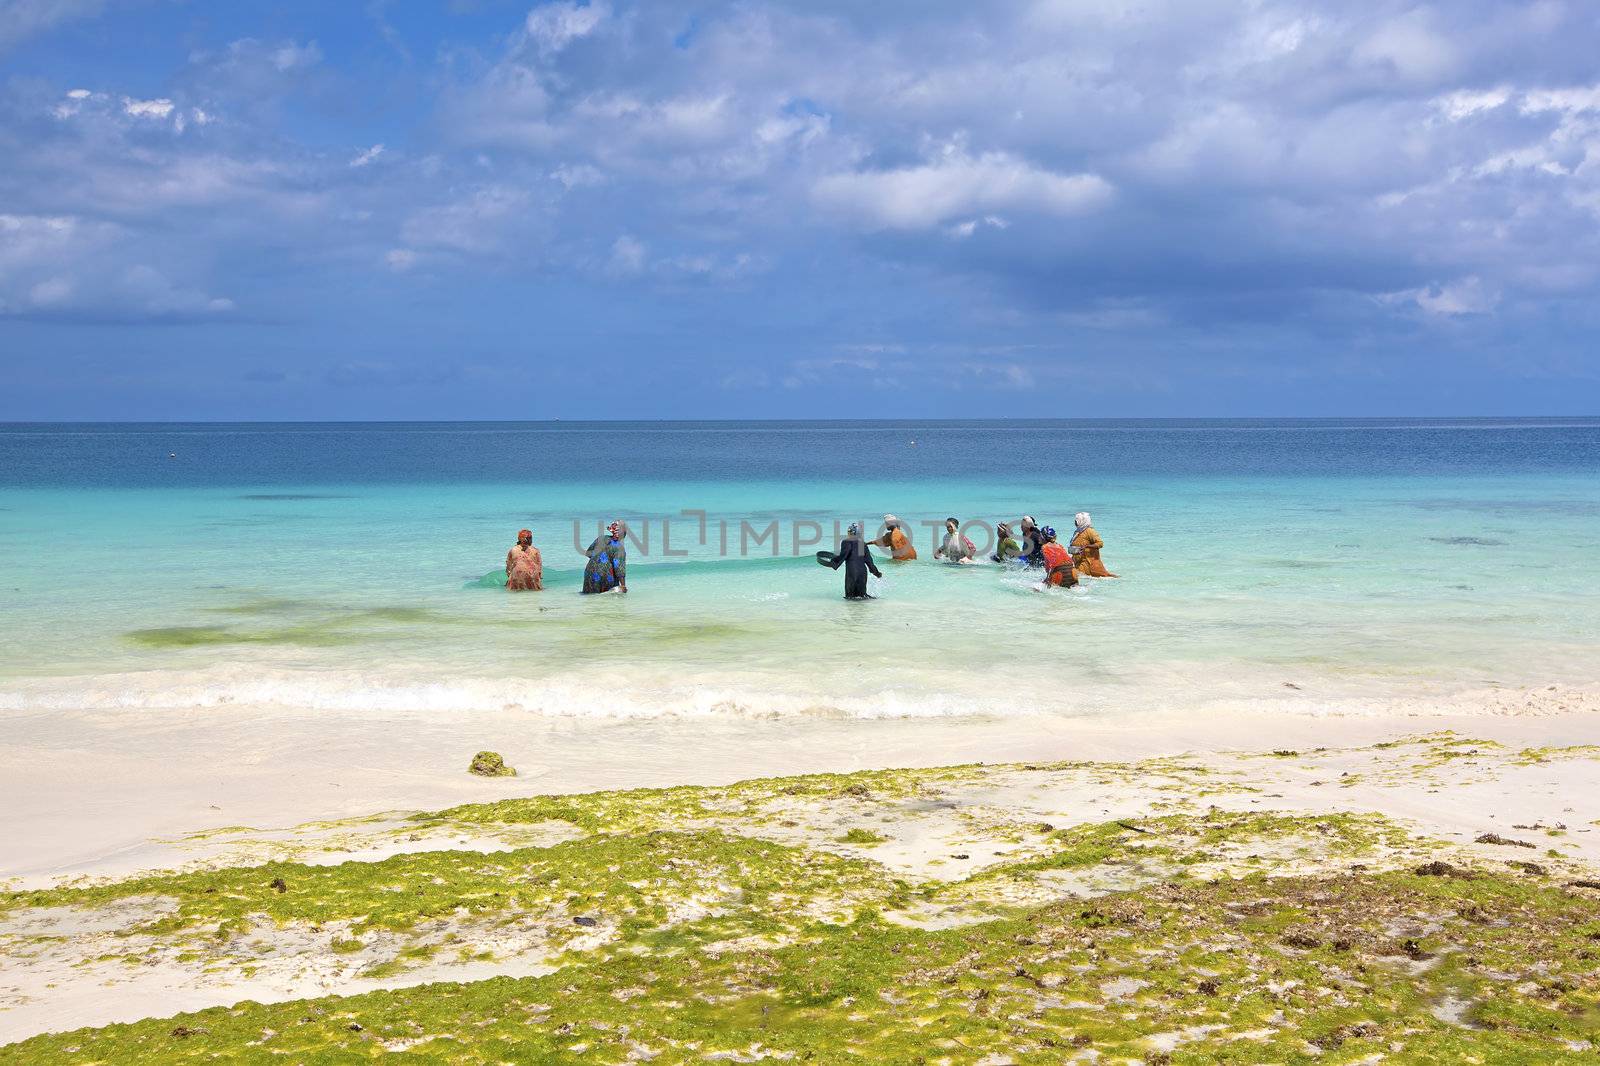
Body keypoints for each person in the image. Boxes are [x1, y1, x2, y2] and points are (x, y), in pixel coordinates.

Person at [828, 523, 883, 599]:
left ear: (851, 532)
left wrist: (833, 562)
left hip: (852, 573)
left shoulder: (846, 541)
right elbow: (870, 562)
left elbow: (844, 555)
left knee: (850, 598)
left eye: (849, 532)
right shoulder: (863, 544)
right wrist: (877, 573)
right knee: (862, 597)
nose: (848, 534)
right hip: (863, 573)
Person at [582, 521, 628, 594]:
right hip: (605, 577)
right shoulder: (619, 548)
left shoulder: (601, 538)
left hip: (589, 574)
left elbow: (588, 553)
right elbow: (619, 569)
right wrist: (623, 586)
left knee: (589, 598)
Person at [1069, 512, 1117, 578]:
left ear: (1083, 521)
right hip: (1077, 561)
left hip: (1087, 562)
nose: (1075, 522)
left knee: (1075, 575)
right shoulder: (1077, 532)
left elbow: (1100, 543)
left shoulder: (1090, 531)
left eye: (1077, 520)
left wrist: (1087, 546)